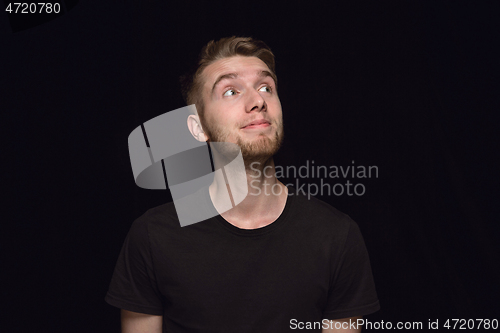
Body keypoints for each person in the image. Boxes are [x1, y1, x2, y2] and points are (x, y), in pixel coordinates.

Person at [105, 36, 380, 332]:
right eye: (231, 91)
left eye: (266, 88)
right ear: (198, 127)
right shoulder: (152, 237)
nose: (258, 101)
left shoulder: (337, 236)